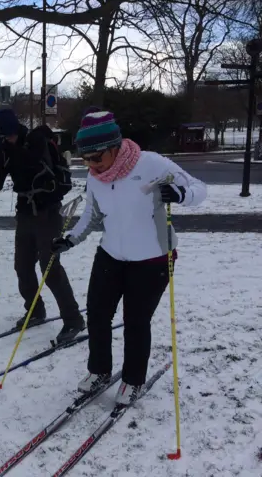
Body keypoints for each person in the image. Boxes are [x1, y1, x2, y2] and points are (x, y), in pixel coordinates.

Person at [50, 109, 207, 404]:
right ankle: (99, 372)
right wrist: (70, 239)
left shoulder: (151, 164)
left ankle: (133, 380)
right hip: (111, 254)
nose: (91, 166)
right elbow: (92, 214)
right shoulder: (96, 178)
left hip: (153, 258)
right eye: (86, 159)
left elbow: (199, 188)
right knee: (97, 315)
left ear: (114, 147)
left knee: (135, 321)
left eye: (96, 158)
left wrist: (180, 194)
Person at [0, 108, 85, 344]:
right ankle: (35, 310)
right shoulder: (7, 149)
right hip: (26, 213)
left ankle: (73, 319)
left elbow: (28, 164)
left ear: (10, 129)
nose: (1, 139)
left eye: (2, 134)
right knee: (22, 266)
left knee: (50, 267)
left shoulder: (37, 140)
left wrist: (5, 149)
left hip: (48, 213)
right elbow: (0, 180)